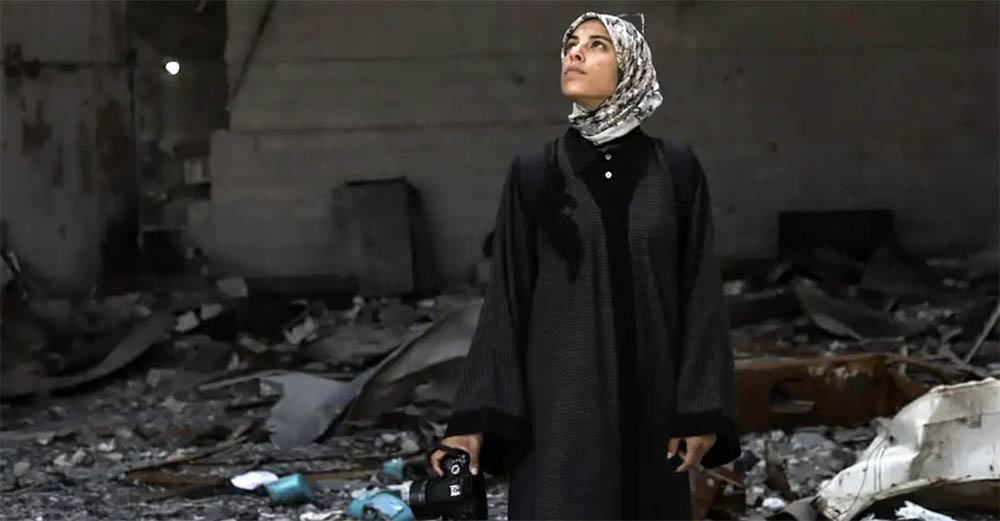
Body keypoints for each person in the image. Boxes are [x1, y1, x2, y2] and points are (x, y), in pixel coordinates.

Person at [429, 12, 740, 520]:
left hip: (653, 414)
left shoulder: (676, 169)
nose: (574, 53)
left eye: (597, 45)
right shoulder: (536, 171)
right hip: (560, 414)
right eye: (571, 43)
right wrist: (472, 422)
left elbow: (700, 295)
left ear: (631, 66)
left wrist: (700, 409)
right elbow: (507, 299)